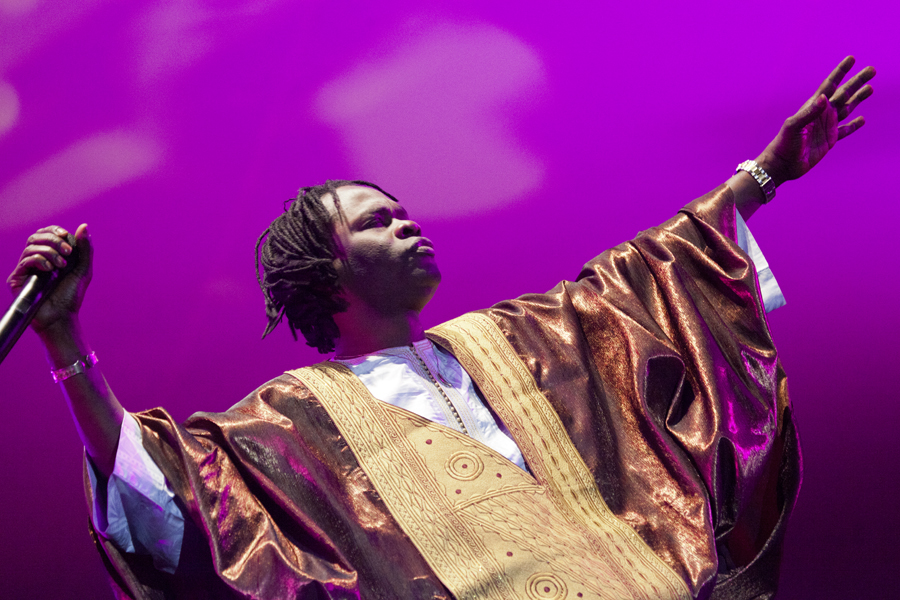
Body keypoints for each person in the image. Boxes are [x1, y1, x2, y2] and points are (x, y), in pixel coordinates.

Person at [7, 57, 875, 600]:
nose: (410, 224)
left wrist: (765, 175)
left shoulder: (515, 339)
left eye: (405, 210)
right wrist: (65, 345)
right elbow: (167, 501)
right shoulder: (291, 421)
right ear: (327, 270)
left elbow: (652, 275)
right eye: (379, 221)